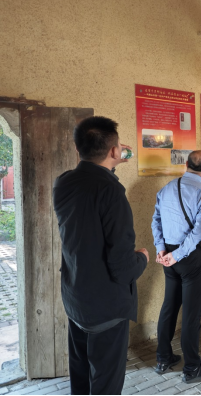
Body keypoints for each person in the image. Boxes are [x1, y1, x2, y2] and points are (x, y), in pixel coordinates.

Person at [53, 117, 149, 395]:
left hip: (76, 298)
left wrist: (112, 160)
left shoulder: (64, 182)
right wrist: (142, 257)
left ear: (76, 149)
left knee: (81, 378)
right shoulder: (112, 192)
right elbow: (123, 268)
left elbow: (91, 189)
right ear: (115, 151)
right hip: (106, 306)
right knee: (106, 384)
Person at [152, 150, 201, 383]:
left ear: (186, 165)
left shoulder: (167, 188)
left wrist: (161, 249)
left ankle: (163, 359)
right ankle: (192, 368)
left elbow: (156, 220)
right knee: (192, 313)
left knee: (169, 307)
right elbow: (197, 232)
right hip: (189, 256)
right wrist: (178, 255)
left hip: (168, 254)